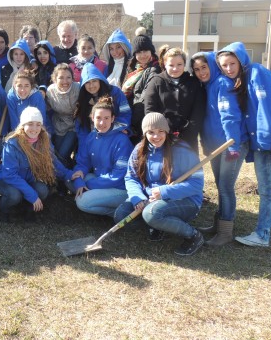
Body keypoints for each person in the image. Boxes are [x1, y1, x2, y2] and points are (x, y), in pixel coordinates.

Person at [217, 42, 271, 251]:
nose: (228, 69)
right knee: (266, 190)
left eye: (232, 63)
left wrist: (262, 142)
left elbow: (268, 110)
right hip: (263, 143)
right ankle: (262, 234)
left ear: (241, 60)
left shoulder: (257, 73)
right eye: (224, 65)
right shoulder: (236, 83)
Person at [114, 112, 205, 256]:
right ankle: (159, 225)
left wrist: (164, 192)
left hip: (186, 201)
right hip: (151, 199)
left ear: (166, 131)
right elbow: (131, 178)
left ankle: (193, 236)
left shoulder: (182, 150)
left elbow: (197, 184)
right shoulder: (139, 150)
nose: (156, 137)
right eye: (151, 132)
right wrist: (137, 197)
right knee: (121, 214)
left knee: (152, 214)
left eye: (160, 131)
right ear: (145, 133)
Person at [190, 51, 248, 246]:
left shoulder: (222, 84)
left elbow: (229, 116)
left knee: (225, 186)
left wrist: (233, 144)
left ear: (212, 66)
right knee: (220, 184)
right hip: (215, 145)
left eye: (204, 67)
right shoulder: (207, 86)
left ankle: (225, 232)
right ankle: (219, 223)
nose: (200, 72)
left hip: (230, 145)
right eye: (197, 69)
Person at [0, 107, 81, 222]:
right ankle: (4, 209)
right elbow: (10, 175)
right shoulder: (12, 144)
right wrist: (32, 195)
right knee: (15, 195)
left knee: (42, 190)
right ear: (23, 125)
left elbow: (53, 163)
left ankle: (26, 209)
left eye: (38, 124)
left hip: (29, 177)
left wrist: (69, 174)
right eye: (30, 124)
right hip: (7, 180)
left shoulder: (43, 140)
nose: (34, 129)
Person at [72, 97, 132, 216]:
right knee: (74, 181)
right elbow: (83, 162)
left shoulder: (122, 140)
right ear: (92, 118)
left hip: (120, 188)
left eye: (106, 118)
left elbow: (118, 176)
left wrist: (88, 185)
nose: (102, 123)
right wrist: (79, 180)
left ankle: (120, 212)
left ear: (113, 119)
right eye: (98, 118)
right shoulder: (91, 136)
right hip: (101, 179)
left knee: (82, 201)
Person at [143, 45, 205, 152]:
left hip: (188, 138)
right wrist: (161, 131)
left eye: (179, 64)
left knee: (188, 167)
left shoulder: (193, 82)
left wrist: (190, 131)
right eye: (171, 65)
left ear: (184, 64)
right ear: (165, 65)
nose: (175, 69)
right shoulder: (156, 82)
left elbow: (198, 111)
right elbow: (150, 110)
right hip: (163, 137)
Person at [75, 63, 131, 139]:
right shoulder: (83, 98)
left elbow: (125, 113)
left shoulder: (115, 92)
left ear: (100, 80)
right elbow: (82, 128)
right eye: (87, 82)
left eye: (94, 81)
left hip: (114, 134)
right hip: (93, 138)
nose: (91, 86)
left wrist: (115, 128)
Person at [122, 33, 160, 140]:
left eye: (145, 51)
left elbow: (144, 98)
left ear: (151, 51)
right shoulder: (135, 71)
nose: (143, 55)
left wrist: (132, 124)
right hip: (132, 118)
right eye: (139, 52)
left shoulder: (154, 70)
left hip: (141, 121)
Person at [46, 64, 80, 167]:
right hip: (59, 124)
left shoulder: (78, 88)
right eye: (61, 77)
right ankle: (67, 172)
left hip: (74, 125)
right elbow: (46, 108)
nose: (65, 81)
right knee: (57, 154)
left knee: (62, 154)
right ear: (55, 78)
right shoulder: (50, 91)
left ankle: (64, 177)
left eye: (68, 77)